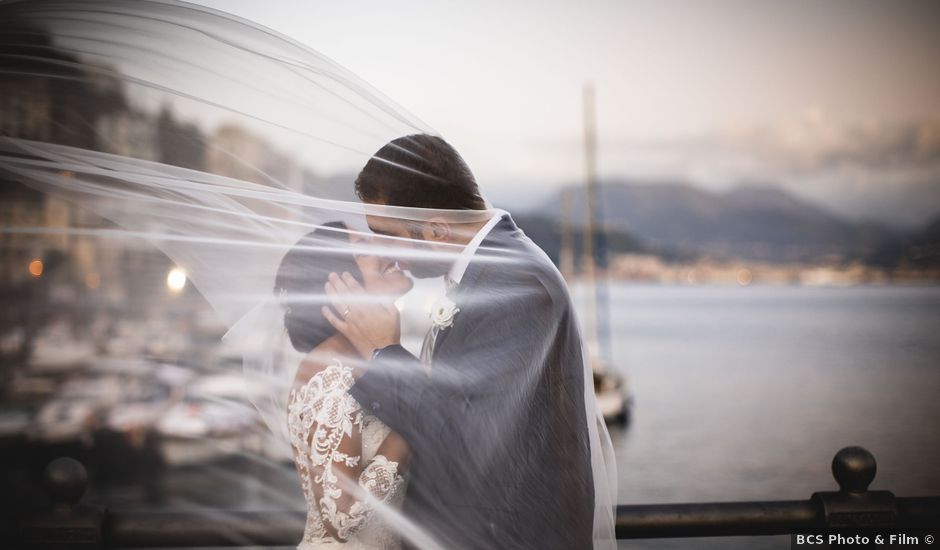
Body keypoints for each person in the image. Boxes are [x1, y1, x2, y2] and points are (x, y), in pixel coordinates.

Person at [321, 135, 606, 549]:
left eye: (387, 233)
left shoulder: (518, 285)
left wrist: (383, 349)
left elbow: (465, 440)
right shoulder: (497, 269)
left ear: (437, 229)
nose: (382, 250)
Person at [276, 222, 414, 550]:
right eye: (366, 245)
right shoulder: (330, 371)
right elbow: (342, 517)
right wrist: (416, 420)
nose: (387, 249)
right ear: (341, 282)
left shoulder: (364, 360)